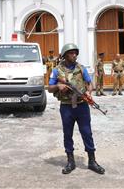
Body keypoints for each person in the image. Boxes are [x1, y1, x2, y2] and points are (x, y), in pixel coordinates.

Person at [48, 43, 105, 175]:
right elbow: (49, 87)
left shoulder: (81, 68)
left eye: (75, 53)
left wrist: (89, 93)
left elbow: (89, 83)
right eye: (71, 53)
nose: (74, 55)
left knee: (87, 132)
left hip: (82, 106)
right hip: (67, 107)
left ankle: (92, 161)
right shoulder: (57, 70)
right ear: (65, 55)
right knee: (67, 134)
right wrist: (58, 86)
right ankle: (70, 161)